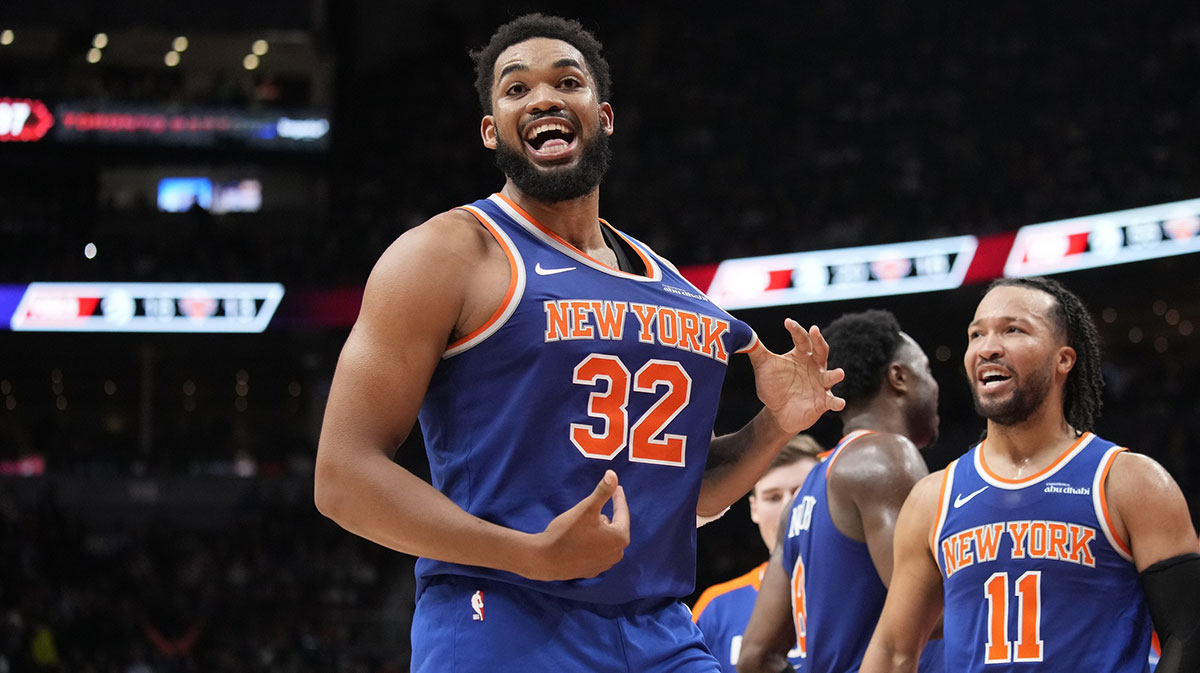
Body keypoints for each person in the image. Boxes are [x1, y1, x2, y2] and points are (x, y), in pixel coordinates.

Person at [313, 14, 846, 673]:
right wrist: (528, 552)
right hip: (503, 618)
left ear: (604, 115)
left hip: (659, 630)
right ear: (490, 131)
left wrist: (773, 426)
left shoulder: (673, 286)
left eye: (568, 81)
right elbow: (342, 477)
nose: (543, 98)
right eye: (515, 90)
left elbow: (685, 491)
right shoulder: (448, 254)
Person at [860, 277, 1200, 673]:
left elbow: (1188, 633)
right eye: (977, 334)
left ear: (1064, 359)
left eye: (1013, 329)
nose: (987, 347)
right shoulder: (933, 498)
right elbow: (892, 652)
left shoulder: (1129, 482)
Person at [737, 309, 944, 673]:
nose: (934, 384)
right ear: (899, 377)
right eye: (926, 369)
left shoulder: (805, 494)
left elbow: (755, 658)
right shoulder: (885, 458)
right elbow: (930, 615)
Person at [692, 434, 824, 673]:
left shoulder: (866, 590)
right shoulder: (716, 608)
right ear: (754, 509)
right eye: (773, 497)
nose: (788, 507)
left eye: (801, 492)